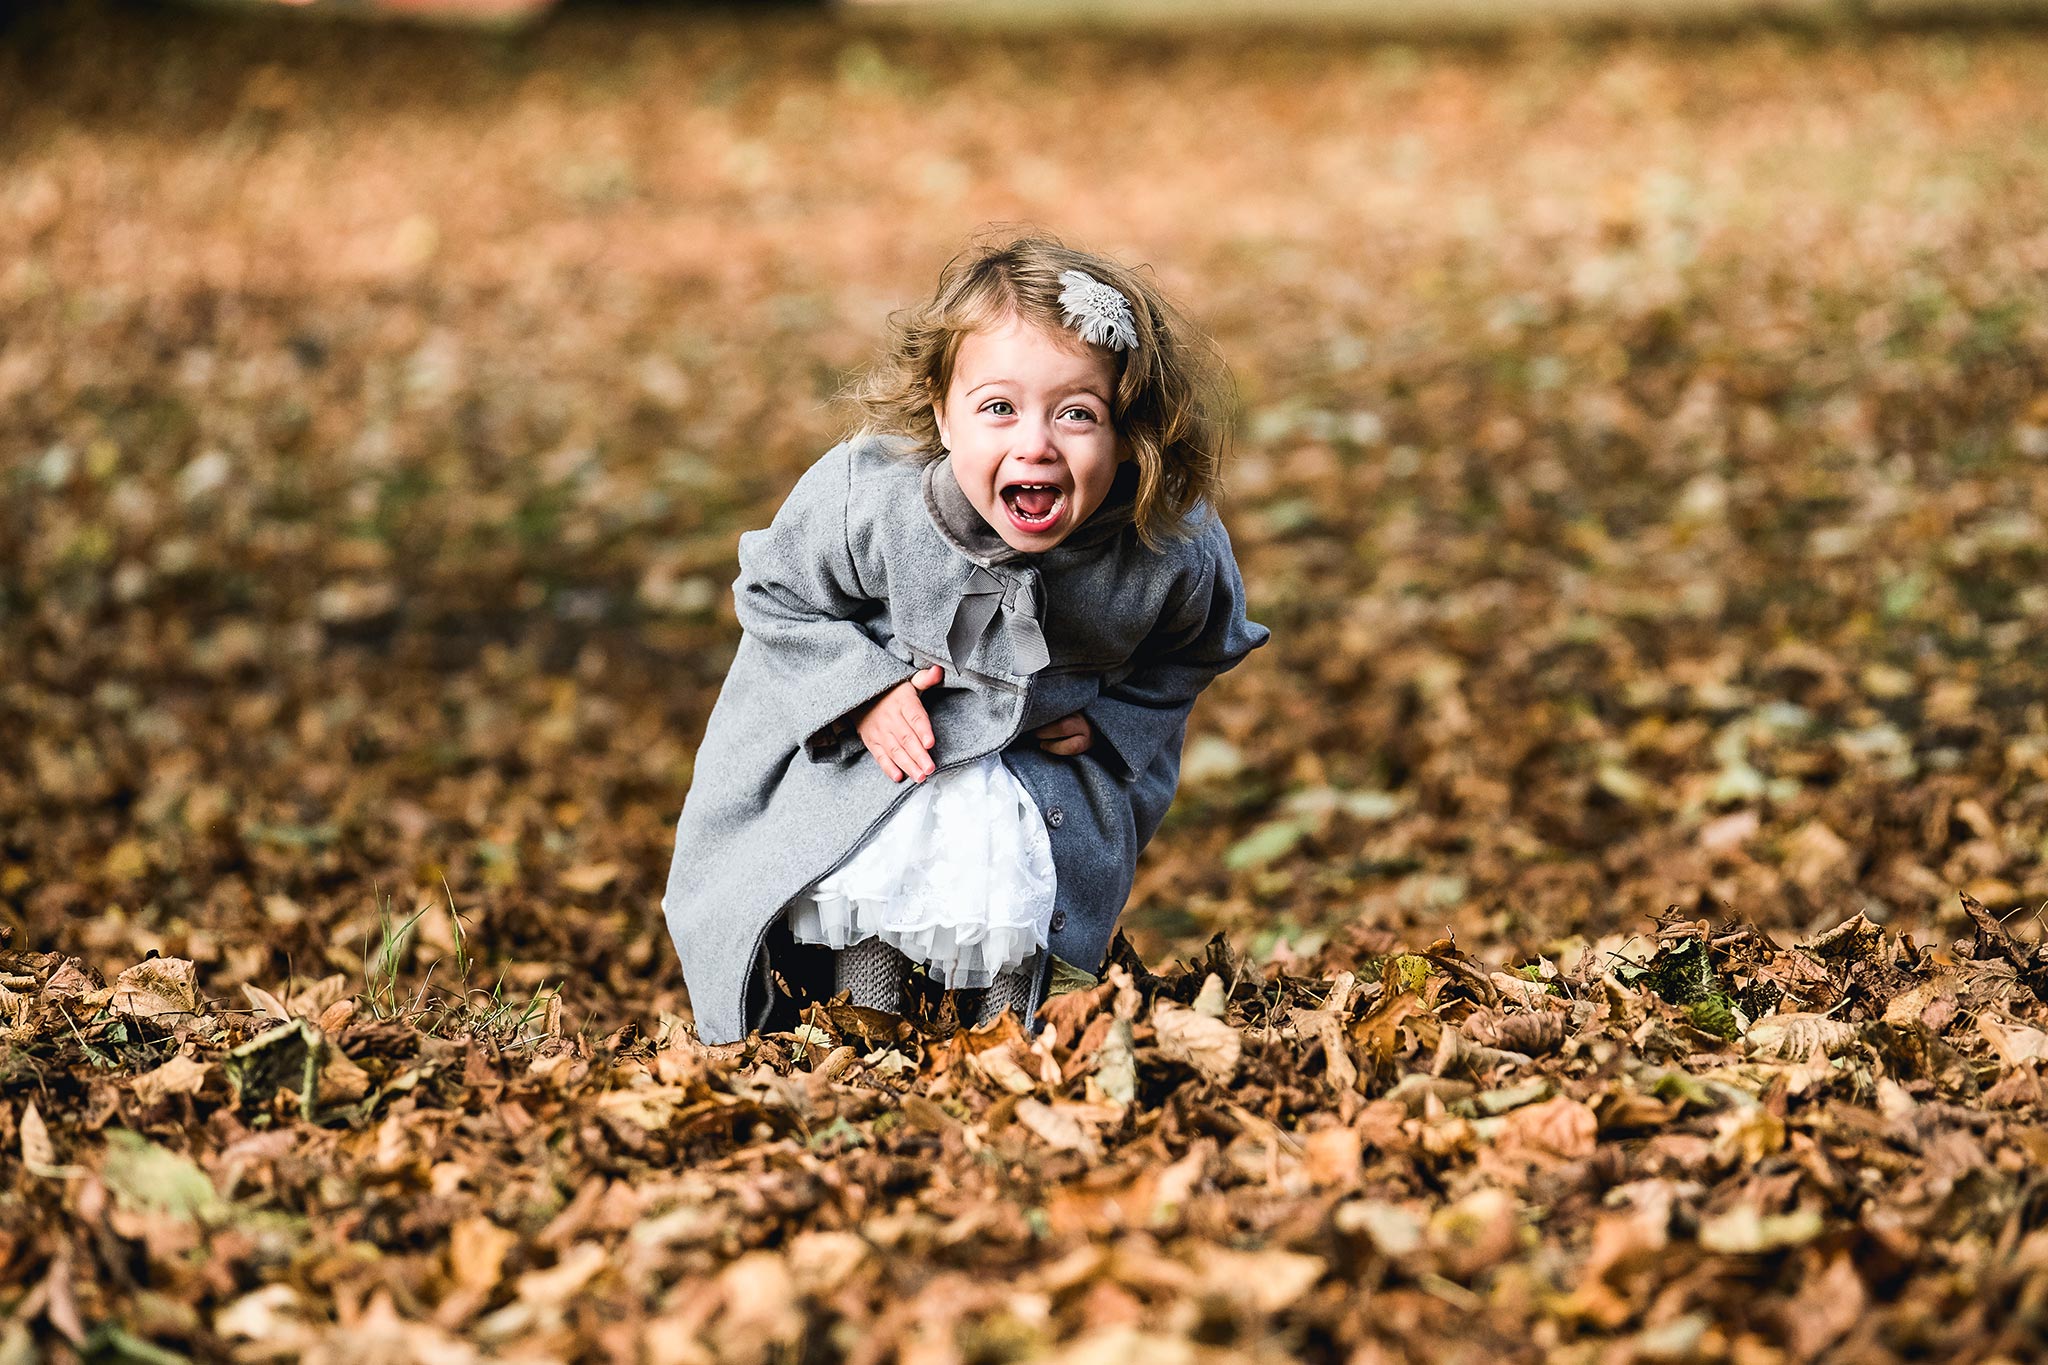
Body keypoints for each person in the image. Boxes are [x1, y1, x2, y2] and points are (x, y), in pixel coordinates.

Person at [660, 234, 1269, 1046]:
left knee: (1014, 898)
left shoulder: (1166, 549)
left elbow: (1203, 644)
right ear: (942, 415)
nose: (1036, 443)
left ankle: (1001, 1044)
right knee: (882, 889)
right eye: (998, 408)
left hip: (1031, 778)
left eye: (1077, 413)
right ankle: (861, 1035)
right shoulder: (873, 502)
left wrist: (1119, 721)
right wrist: (863, 691)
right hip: (892, 767)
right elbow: (776, 592)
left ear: (1128, 434)